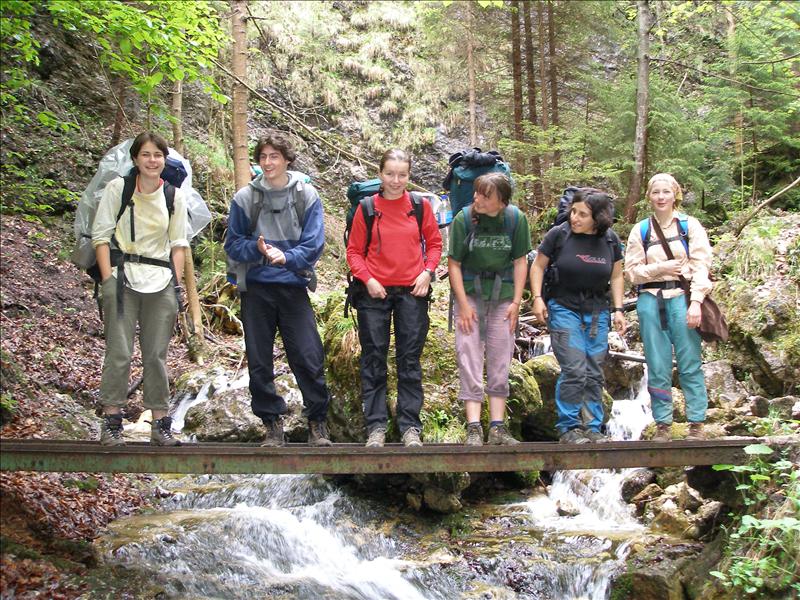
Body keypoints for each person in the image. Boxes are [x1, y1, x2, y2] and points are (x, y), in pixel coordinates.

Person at [225, 133, 332, 447]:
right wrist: (258, 250)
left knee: (309, 356)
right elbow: (233, 243)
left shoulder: (305, 195)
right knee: (259, 360)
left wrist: (287, 258)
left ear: (287, 160)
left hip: (292, 286)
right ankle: (272, 424)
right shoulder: (245, 198)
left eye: (274, 156)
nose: (268, 162)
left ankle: (317, 423)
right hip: (256, 288)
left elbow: (314, 244)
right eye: (263, 157)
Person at [93, 131, 187, 447]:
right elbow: (101, 237)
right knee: (119, 351)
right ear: (135, 158)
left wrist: (175, 285)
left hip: (161, 281)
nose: (152, 160)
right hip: (122, 279)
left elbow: (178, 244)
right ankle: (112, 422)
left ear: (164, 160)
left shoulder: (174, 196)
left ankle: (160, 424)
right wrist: (107, 280)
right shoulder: (118, 189)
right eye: (145, 154)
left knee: (156, 355)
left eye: (157, 155)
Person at [346, 149, 443, 448]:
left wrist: (427, 272)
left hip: (412, 291)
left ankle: (409, 426)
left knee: (409, 359)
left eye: (402, 175)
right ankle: (376, 426)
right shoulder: (366, 208)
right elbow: (354, 252)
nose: (396, 180)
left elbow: (435, 244)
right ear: (380, 174)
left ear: (409, 176)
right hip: (374, 292)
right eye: (390, 174)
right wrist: (368, 279)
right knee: (373, 358)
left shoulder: (420, 206)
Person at [530, 188, 626, 444]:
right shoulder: (559, 235)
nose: (574, 217)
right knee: (574, 368)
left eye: (582, 214)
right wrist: (537, 298)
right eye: (573, 211)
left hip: (597, 311)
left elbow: (617, 275)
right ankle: (569, 427)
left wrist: (618, 309)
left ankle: (593, 427)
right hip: (563, 306)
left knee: (594, 371)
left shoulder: (610, 240)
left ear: (598, 218)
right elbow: (538, 266)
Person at [624, 173, 712, 441]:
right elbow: (632, 272)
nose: (661, 197)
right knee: (657, 363)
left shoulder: (689, 226)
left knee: (690, 362)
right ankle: (663, 423)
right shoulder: (641, 230)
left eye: (666, 192)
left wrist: (696, 302)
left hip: (683, 298)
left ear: (675, 195)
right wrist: (661, 268)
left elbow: (701, 266)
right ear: (649, 197)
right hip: (650, 301)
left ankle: (696, 422)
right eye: (656, 192)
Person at [448, 173, 530, 446]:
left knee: (501, 356)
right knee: (468, 354)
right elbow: (454, 264)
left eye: (486, 196)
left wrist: (516, 302)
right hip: (470, 294)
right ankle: (474, 427)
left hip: (503, 295)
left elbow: (520, 261)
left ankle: (497, 427)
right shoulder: (463, 219)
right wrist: (462, 305)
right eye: (477, 193)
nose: (477, 199)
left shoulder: (515, 219)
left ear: (502, 202)